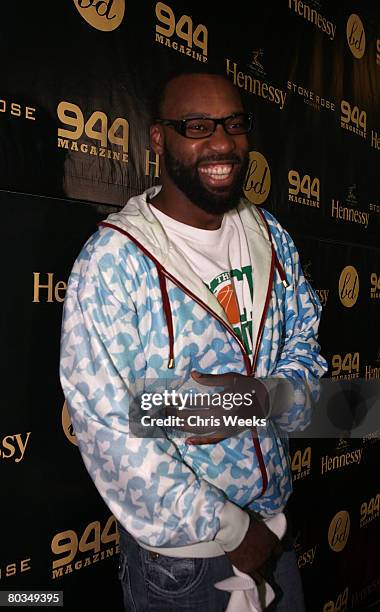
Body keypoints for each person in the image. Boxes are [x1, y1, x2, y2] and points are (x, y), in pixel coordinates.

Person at [59, 65, 327, 611]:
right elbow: (109, 424)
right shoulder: (115, 260)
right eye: (198, 125)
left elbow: (308, 353)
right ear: (159, 138)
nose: (222, 142)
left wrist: (262, 398)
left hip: (274, 530)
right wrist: (230, 529)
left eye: (233, 123)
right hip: (186, 561)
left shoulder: (270, 236)